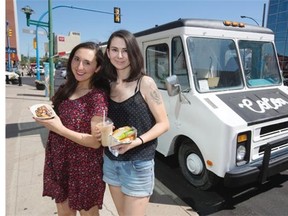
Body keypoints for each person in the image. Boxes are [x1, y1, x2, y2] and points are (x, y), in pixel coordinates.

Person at [34, 41, 110, 216]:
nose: (79, 66)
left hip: (84, 167)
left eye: (87, 62)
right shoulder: (66, 88)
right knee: (64, 211)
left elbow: (94, 143)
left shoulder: (97, 97)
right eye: (76, 59)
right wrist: (47, 117)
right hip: (59, 160)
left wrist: (58, 128)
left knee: (87, 213)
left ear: (97, 68)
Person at [102, 29, 170, 216]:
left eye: (125, 50)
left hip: (138, 164)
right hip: (110, 161)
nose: (120, 55)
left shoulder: (145, 83)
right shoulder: (107, 84)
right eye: (114, 50)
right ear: (108, 53)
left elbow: (164, 123)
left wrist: (136, 141)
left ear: (134, 52)